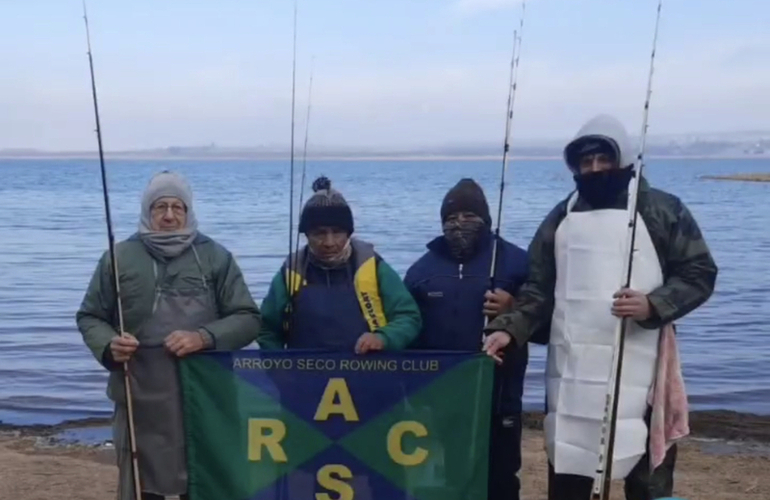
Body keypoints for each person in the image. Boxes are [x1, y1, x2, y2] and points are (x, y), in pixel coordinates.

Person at [482, 114, 718, 500]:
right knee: (570, 466)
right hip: (571, 368)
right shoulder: (560, 217)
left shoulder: (662, 210)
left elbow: (700, 272)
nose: (594, 169)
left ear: (623, 160)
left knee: (646, 477)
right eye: (585, 162)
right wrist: (509, 327)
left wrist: (653, 304)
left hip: (641, 364)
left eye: (603, 159)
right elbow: (538, 289)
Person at [76, 170, 262, 500]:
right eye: (160, 207)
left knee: (206, 479)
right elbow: (90, 316)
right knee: (142, 483)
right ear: (147, 212)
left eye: (178, 207)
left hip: (206, 396)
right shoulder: (119, 258)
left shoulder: (216, 257)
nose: (169, 215)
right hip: (138, 397)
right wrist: (108, 345)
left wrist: (204, 337)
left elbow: (247, 319)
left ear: (189, 212)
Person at [403, 178, 531, 500]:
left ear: (486, 220)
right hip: (442, 399)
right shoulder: (421, 270)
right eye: (451, 218)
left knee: (501, 477)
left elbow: (544, 325)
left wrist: (512, 308)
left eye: (469, 216)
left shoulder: (517, 262)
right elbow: (407, 331)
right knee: (448, 475)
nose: (459, 223)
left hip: (500, 396)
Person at [258, 176, 421, 352]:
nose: (329, 242)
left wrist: (384, 337)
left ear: (348, 233)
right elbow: (266, 329)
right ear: (307, 235)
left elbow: (409, 318)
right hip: (303, 376)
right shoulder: (290, 272)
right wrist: (277, 365)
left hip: (371, 371)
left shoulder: (374, 267)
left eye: (337, 232)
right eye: (319, 233)